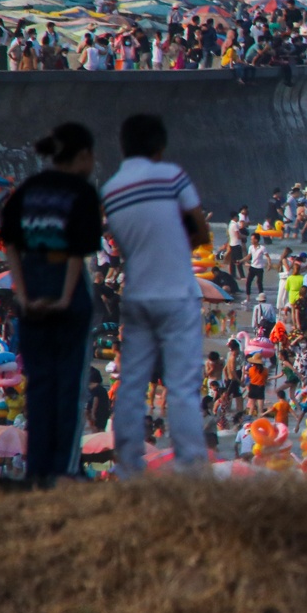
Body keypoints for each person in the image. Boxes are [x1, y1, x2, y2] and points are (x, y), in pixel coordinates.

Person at [103, 114, 210, 476]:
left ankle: (128, 467)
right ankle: (191, 466)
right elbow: (199, 229)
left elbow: (121, 242)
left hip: (136, 294)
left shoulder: (112, 189)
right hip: (177, 293)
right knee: (180, 384)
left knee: (133, 382)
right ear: (160, 147)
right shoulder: (172, 176)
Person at [1, 123, 103, 486]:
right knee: (69, 387)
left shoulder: (27, 190)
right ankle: (64, 470)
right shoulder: (82, 193)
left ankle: (38, 472)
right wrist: (63, 297)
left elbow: (9, 241)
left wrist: (24, 293)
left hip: (30, 286)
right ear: (81, 156)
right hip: (67, 290)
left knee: (39, 385)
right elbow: (77, 250)